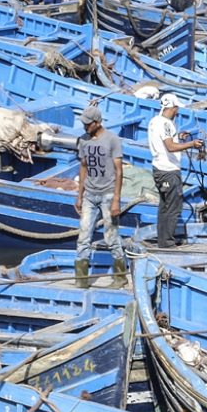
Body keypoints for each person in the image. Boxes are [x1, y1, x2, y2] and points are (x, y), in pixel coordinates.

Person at [74, 103, 125, 286]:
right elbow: (83, 167)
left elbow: (119, 171)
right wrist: (79, 195)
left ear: (97, 122)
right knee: (83, 236)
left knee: (111, 237)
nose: (85, 127)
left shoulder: (112, 140)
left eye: (88, 124)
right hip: (89, 195)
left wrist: (116, 200)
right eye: (84, 124)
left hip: (108, 195)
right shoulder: (83, 140)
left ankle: (120, 277)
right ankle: (81, 280)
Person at [148, 93, 204, 248]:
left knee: (164, 206)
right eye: (176, 108)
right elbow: (170, 147)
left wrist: (178, 137)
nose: (177, 111)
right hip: (168, 170)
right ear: (172, 107)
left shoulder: (154, 121)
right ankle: (167, 243)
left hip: (159, 168)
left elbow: (167, 141)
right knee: (173, 207)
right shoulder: (165, 123)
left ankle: (163, 240)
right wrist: (192, 144)